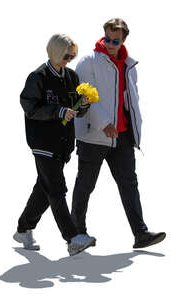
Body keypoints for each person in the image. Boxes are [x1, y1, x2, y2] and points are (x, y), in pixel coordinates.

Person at [71, 18, 166, 249]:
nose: (111, 43)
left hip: (122, 136)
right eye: (108, 38)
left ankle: (140, 233)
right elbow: (85, 98)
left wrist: (134, 127)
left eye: (116, 40)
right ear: (103, 35)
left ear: (123, 40)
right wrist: (104, 122)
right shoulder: (88, 62)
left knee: (129, 184)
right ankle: (76, 234)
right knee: (85, 185)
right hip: (95, 135)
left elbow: (130, 99)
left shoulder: (129, 65)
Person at [13, 34, 96, 256]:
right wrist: (58, 111)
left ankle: (23, 228)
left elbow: (74, 109)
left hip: (63, 144)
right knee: (57, 189)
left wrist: (83, 104)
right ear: (55, 52)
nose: (69, 60)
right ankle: (72, 238)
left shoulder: (71, 77)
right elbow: (30, 107)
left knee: (45, 189)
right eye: (66, 55)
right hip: (42, 143)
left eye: (72, 55)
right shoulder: (37, 77)